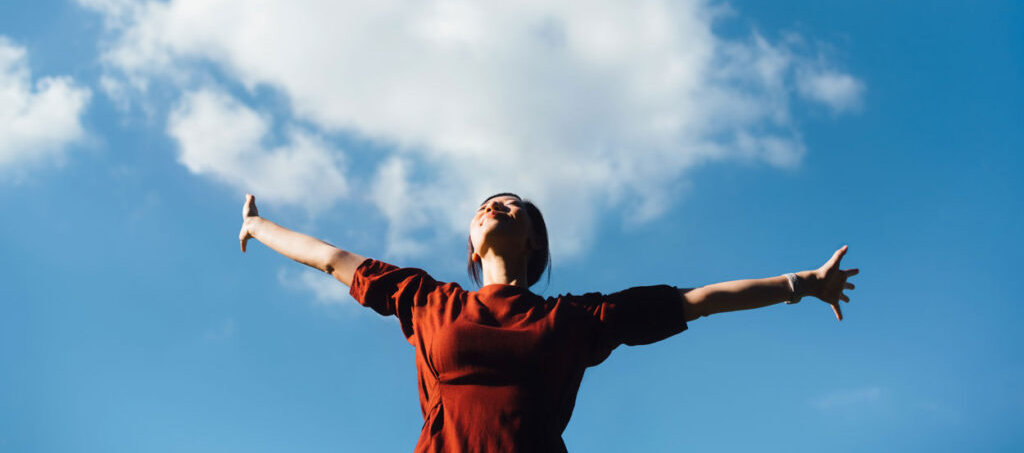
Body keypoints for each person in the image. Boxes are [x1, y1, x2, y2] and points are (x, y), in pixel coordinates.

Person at [238, 192, 858, 452]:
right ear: (473, 243)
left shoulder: (577, 318)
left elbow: (696, 300)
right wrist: (257, 227)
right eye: (485, 207)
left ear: (535, 241)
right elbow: (329, 259)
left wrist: (801, 285)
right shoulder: (428, 301)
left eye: (513, 206)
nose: (497, 206)